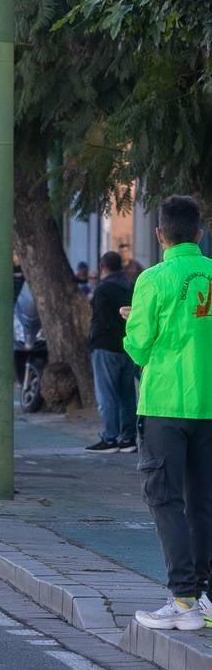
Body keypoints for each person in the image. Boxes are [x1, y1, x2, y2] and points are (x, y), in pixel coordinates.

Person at [124, 196, 212, 631]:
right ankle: (206, 594)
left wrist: (132, 319)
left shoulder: (152, 279)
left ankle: (183, 600)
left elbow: (138, 345)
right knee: (204, 500)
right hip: (209, 404)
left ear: (160, 235)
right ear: (199, 233)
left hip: (164, 404)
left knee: (165, 499)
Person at [86, 250, 138, 454]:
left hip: (105, 346)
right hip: (127, 347)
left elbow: (103, 319)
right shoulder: (130, 287)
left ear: (103, 267)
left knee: (107, 394)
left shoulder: (103, 289)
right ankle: (128, 437)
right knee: (127, 394)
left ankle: (110, 437)